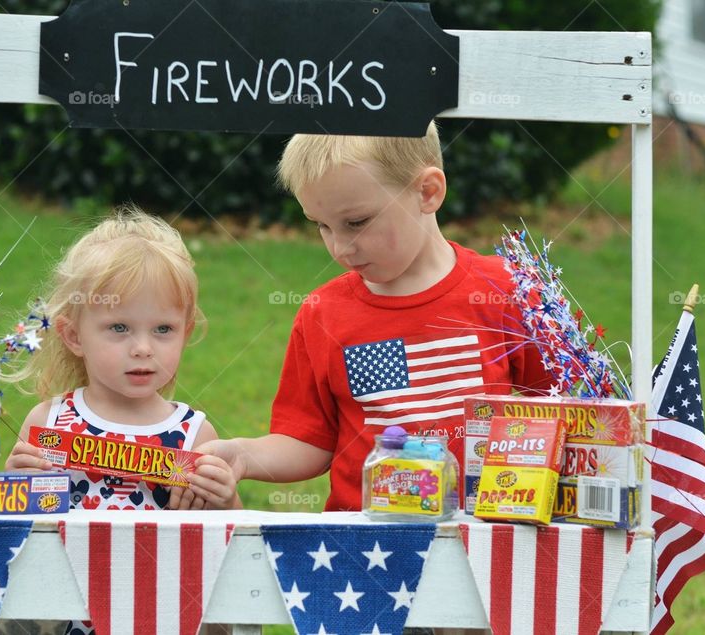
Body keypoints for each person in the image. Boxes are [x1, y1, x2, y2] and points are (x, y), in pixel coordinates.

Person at [198, 122, 553, 512]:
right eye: (321, 226)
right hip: (363, 551)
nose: (339, 247)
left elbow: (563, 412)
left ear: (428, 192)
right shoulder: (324, 313)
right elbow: (310, 441)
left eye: (356, 222)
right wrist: (243, 456)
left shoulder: (507, 290)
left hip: (482, 544)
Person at [6, 206, 239, 512]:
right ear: (74, 336)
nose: (143, 348)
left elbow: (233, 540)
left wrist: (226, 500)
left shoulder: (195, 436)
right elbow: (15, 529)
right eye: (119, 327)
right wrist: (14, 487)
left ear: (185, 333)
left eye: (163, 329)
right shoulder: (49, 423)